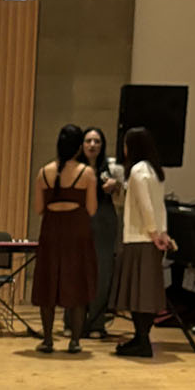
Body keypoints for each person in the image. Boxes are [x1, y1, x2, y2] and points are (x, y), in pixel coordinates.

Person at [30, 124, 98, 353]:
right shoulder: (86, 173)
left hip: (51, 231)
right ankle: (75, 341)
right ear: (79, 147)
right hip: (77, 232)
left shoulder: (43, 172)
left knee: (48, 282)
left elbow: (39, 208)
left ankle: (48, 339)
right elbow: (91, 208)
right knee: (77, 283)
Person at [110, 126, 170, 358]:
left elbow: (146, 206)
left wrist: (153, 232)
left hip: (139, 238)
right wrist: (162, 233)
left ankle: (142, 340)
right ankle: (140, 338)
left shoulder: (136, 171)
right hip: (152, 239)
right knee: (146, 292)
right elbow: (159, 206)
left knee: (138, 293)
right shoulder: (155, 171)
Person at [63, 127, 121, 339]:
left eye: (97, 141)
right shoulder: (73, 167)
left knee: (102, 273)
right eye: (88, 141)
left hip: (104, 222)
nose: (92, 145)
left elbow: (124, 199)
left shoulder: (113, 167)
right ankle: (71, 322)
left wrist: (116, 187)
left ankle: (97, 323)